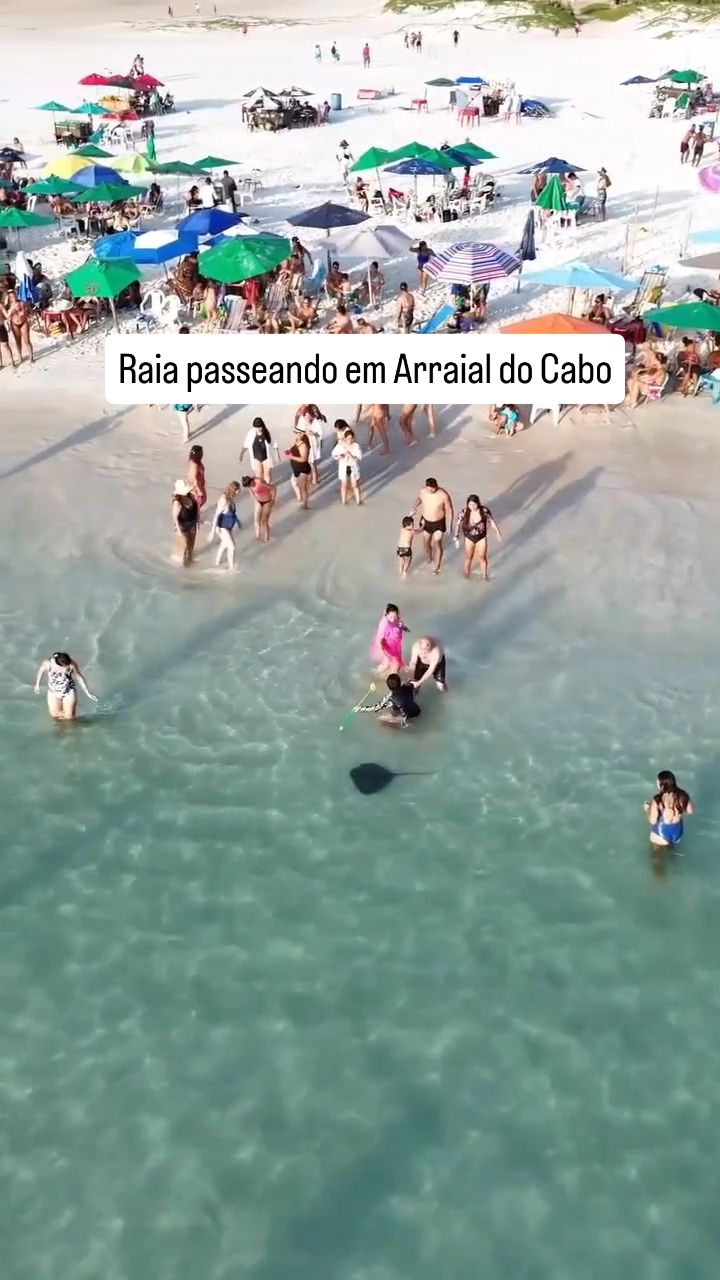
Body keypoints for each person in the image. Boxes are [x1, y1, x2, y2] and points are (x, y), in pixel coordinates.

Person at [34, 651, 97, 721]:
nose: (67, 666)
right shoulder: (48, 664)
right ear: (58, 663)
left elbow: (79, 677)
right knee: (55, 716)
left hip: (68, 692)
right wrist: (37, 684)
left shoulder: (71, 664)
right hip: (53, 692)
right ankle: (64, 724)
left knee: (69, 717)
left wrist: (87, 692)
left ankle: (71, 728)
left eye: (68, 664)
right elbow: (41, 672)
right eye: (65, 665)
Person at [454, 493, 502, 579]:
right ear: (467, 504)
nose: (472, 506)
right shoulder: (464, 512)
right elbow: (458, 524)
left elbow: (491, 521)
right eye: (470, 504)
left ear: (478, 503)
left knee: (482, 557)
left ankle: (485, 575)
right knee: (469, 557)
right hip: (469, 537)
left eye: (474, 504)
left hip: (481, 538)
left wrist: (498, 532)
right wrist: (456, 536)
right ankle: (466, 574)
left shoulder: (484, 511)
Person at [645, 770, 693, 853]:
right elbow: (690, 811)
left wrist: (647, 809)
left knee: (658, 862)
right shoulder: (683, 795)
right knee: (673, 856)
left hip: (661, 834)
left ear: (662, 784)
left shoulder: (657, 800)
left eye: (657, 782)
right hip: (678, 831)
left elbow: (653, 821)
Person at [414, 477, 454, 574]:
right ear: (426, 486)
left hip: (438, 522)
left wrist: (450, 525)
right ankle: (430, 557)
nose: (431, 490)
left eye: (433, 488)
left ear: (437, 486)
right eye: (429, 488)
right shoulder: (423, 491)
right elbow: (420, 498)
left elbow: (450, 510)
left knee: (437, 542)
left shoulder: (443, 495)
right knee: (426, 543)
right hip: (426, 521)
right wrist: (415, 506)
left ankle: (437, 566)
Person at [355, 672, 421, 727]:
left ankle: (399, 726)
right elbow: (415, 683)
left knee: (380, 719)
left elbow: (376, 708)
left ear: (388, 686)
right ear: (400, 682)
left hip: (406, 719)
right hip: (417, 711)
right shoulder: (408, 686)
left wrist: (360, 708)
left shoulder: (390, 699)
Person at [210, 481, 241, 569]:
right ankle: (231, 567)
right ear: (234, 490)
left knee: (224, 544)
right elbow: (216, 515)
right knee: (232, 547)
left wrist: (238, 521)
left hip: (228, 526)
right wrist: (212, 532)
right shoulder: (224, 500)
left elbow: (233, 513)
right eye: (238, 490)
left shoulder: (231, 498)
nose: (239, 492)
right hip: (221, 527)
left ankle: (217, 562)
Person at [371, 602, 409, 674]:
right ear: (386, 615)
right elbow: (380, 641)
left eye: (395, 617)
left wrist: (405, 628)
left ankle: (391, 676)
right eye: (391, 617)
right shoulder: (384, 624)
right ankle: (376, 673)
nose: (393, 619)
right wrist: (384, 655)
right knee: (386, 664)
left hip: (395, 645)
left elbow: (401, 626)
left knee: (397, 664)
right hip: (385, 645)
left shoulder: (398, 620)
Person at [240, 417, 280, 482]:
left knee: (267, 475)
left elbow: (275, 445)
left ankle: (268, 487)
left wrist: (277, 456)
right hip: (256, 458)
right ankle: (261, 488)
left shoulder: (267, 433)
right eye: (256, 427)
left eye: (260, 427)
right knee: (258, 476)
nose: (258, 429)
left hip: (266, 458)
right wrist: (241, 454)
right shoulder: (250, 434)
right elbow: (246, 445)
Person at [294, 403, 326, 484]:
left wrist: (312, 433)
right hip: (305, 443)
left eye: (309, 416)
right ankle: (311, 476)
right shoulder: (302, 419)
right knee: (307, 461)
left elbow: (320, 435)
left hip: (313, 444)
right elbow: (297, 431)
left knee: (312, 462)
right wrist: (302, 433)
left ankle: (315, 479)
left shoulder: (316, 422)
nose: (307, 418)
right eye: (305, 416)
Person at [331, 423, 362, 505]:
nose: (349, 441)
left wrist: (350, 455)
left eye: (351, 439)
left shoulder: (356, 446)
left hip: (353, 467)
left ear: (353, 438)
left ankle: (359, 501)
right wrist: (341, 455)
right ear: (345, 438)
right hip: (343, 467)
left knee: (354, 485)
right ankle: (344, 501)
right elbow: (334, 454)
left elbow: (358, 458)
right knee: (344, 484)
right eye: (347, 439)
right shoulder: (340, 445)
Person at [172, 479, 199, 566]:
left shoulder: (191, 496)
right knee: (185, 546)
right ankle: (184, 565)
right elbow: (175, 518)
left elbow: (197, 509)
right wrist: (179, 531)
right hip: (182, 526)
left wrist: (198, 520)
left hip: (192, 523)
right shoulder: (177, 503)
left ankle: (190, 560)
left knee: (191, 546)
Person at [241, 474, 276, 542]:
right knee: (256, 520)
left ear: (251, 481)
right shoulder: (249, 485)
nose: (250, 487)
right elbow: (251, 491)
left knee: (264, 522)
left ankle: (266, 539)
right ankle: (258, 536)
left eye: (249, 485)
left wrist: (273, 500)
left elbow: (273, 488)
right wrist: (254, 500)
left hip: (267, 502)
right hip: (258, 501)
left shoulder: (259, 483)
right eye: (248, 486)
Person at [4, 291, 33, 364]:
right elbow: (6, 316)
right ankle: (20, 357)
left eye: (14, 295)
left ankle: (31, 357)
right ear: (9, 298)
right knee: (18, 341)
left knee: (27, 340)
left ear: (16, 295)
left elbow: (31, 311)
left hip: (23, 322)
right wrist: (11, 311)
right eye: (11, 297)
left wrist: (29, 316)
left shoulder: (22, 303)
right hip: (14, 323)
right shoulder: (8, 305)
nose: (13, 297)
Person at [287, 430, 312, 508]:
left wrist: (291, 457)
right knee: (294, 482)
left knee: (303, 488)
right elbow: (296, 452)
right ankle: (300, 498)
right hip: (296, 469)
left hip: (302, 470)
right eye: (295, 433)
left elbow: (303, 459)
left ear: (302, 434)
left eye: (297, 433)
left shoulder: (303, 445)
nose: (296, 434)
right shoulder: (298, 442)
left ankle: (305, 505)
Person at [186, 444, 207, 521]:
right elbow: (194, 478)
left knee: (201, 501)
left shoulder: (195, 462)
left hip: (199, 484)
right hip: (196, 486)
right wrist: (199, 490)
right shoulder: (195, 465)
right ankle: (195, 517)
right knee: (200, 500)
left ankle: (195, 514)